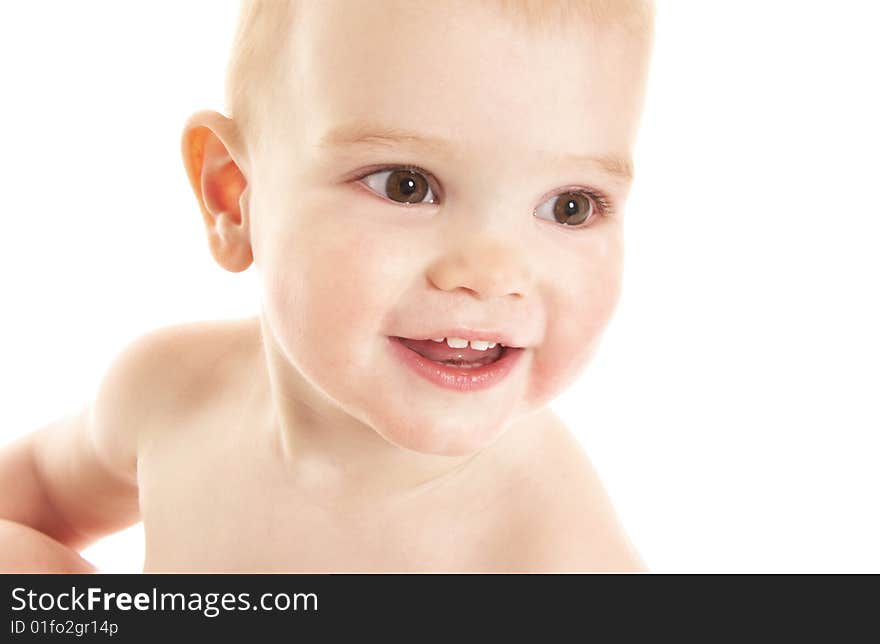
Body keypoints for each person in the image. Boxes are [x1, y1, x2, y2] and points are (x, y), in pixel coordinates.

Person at [0, 0, 655, 572]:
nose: (493, 276)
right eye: (407, 185)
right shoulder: (168, 392)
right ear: (235, 198)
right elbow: (32, 498)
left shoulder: (550, 547)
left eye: (571, 205)